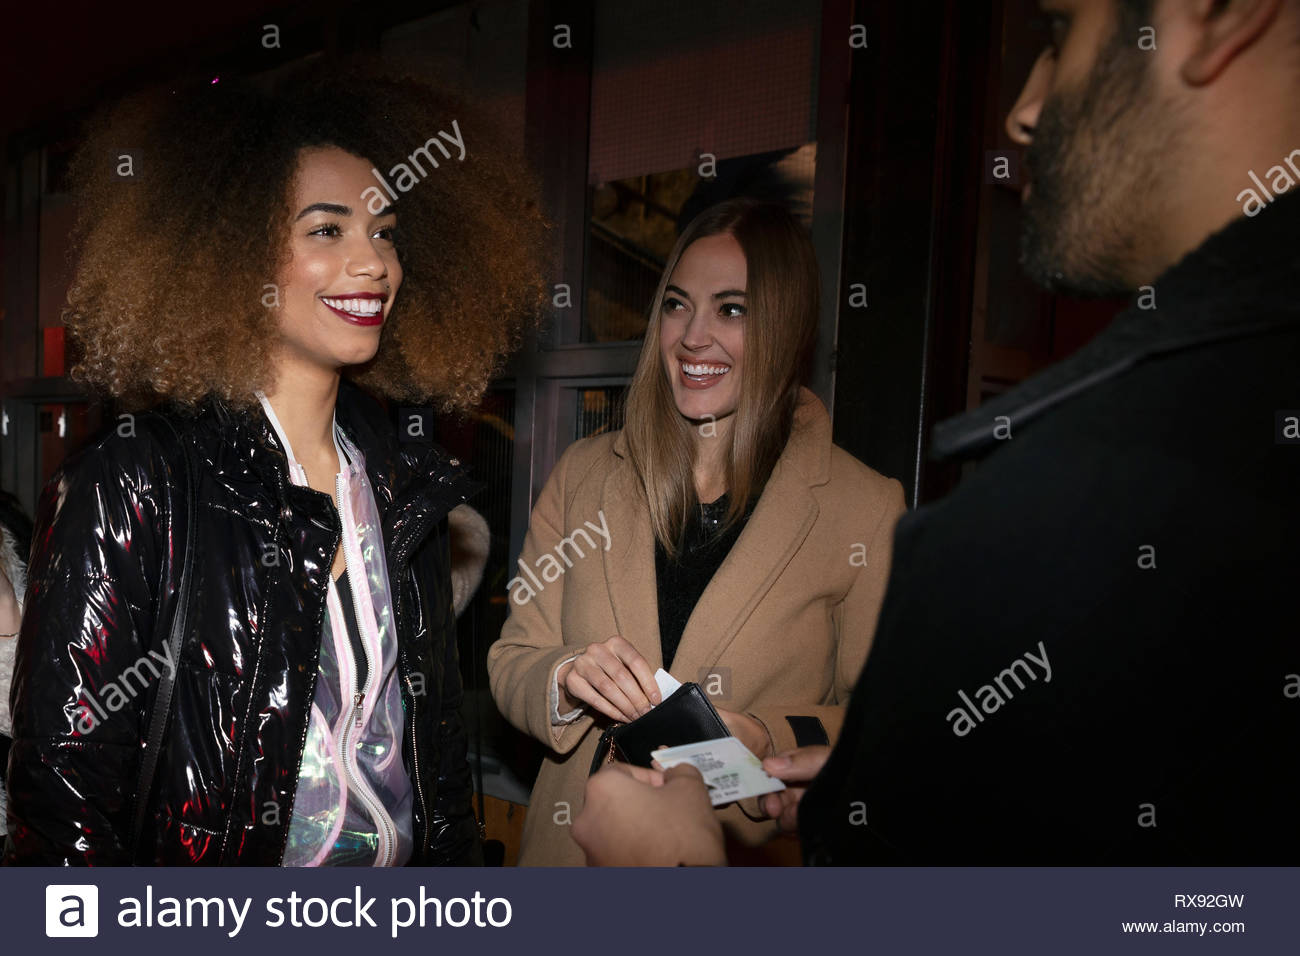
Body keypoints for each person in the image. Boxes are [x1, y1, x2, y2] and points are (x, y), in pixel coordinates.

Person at [572, 0, 1300, 865]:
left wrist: (674, 875)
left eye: (1061, 34)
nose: (1023, 110)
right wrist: (870, 793)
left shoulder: (1042, 508)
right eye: (680, 308)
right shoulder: (586, 471)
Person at [2, 63, 545, 865]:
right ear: (234, 257)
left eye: (385, 232)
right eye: (327, 231)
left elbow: (428, 762)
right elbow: (63, 795)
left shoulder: (405, 488)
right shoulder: (137, 480)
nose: (375, 265)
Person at [488, 199, 906, 864]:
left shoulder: (865, 508)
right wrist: (564, 679)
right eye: (678, 305)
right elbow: (512, 659)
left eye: (731, 309)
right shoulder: (585, 474)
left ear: (786, 323)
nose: (692, 336)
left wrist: (764, 736)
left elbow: (884, 725)